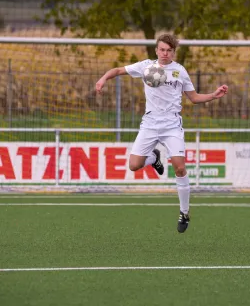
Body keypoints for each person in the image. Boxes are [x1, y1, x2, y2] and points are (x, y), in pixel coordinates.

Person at [95, 34, 228, 233]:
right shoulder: (146, 67)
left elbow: (193, 97)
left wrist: (213, 95)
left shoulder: (180, 71)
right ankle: (153, 157)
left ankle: (184, 212)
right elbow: (118, 70)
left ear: (173, 52)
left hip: (172, 124)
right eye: (162, 49)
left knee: (180, 168)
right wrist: (103, 78)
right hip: (150, 123)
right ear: (156, 50)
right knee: (134, 165)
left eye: (169, 50)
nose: (165, 53)